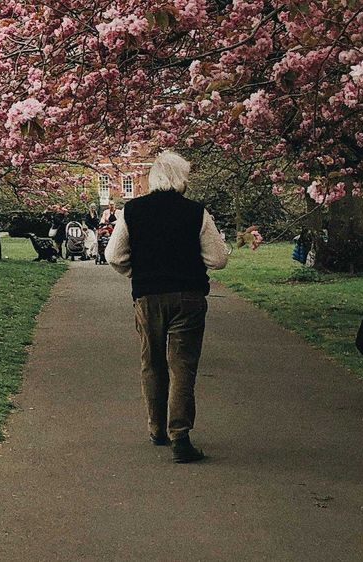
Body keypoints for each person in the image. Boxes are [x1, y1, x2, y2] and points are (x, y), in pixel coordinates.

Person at [106, 151, 228, 464]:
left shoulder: (132, 211)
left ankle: (156, 427)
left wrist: (140, 274)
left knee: (152, 363)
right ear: (181, 178)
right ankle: (180, 436)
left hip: (148, 298)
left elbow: (114, 256)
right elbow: (218, 259)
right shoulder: (196, 213)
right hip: (188, 297)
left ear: (154, 178)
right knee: (182, 365)